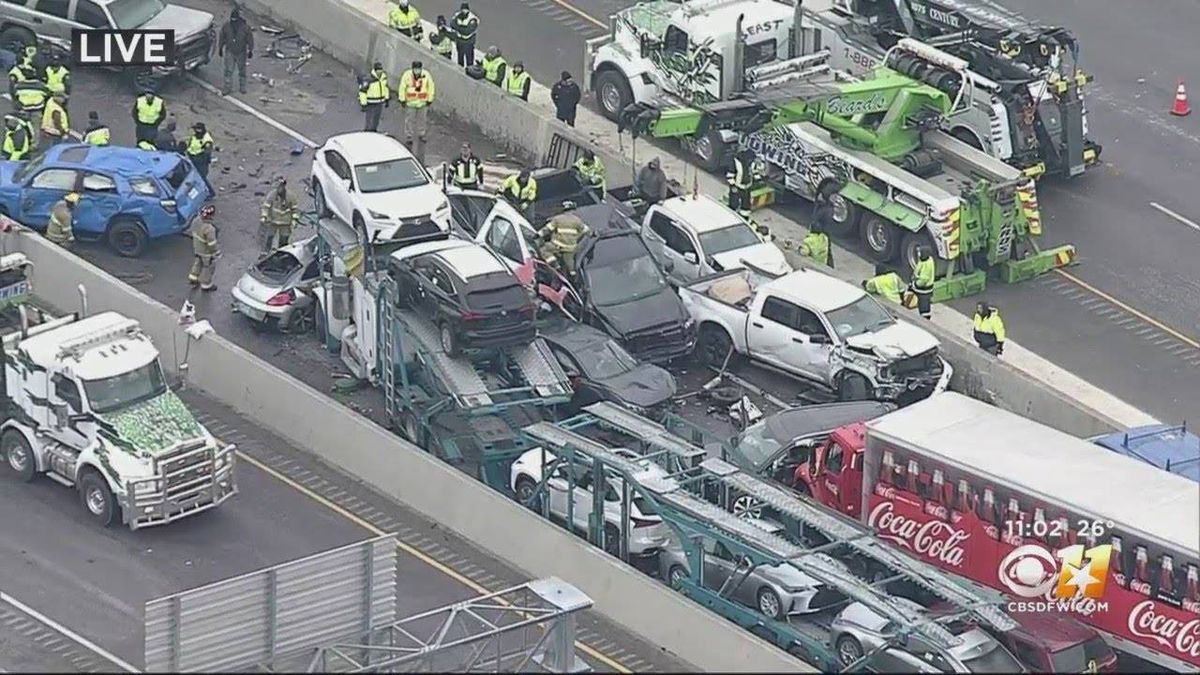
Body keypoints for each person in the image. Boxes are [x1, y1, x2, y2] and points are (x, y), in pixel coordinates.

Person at [398, 60, 434, 163]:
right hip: (411, 103)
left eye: (419, 69)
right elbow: (402, 87)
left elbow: (430, 87)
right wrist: (402, 99)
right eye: (415, 69)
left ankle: (421, 134)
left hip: (422, 103)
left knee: (422, 120)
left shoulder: (426, 75)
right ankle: (409, 135)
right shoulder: (407, 75)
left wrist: (430, 99)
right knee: (410, 120)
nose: (417, 71)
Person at [218, 6, 254, 95]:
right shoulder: (226, 26)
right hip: (230, 51)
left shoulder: (245, 28)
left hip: (241, 52)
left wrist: (250, 50)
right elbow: (222, 37)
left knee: (242, 70)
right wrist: (220, 48)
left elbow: (250, 39)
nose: (233, 22)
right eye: (232, 19)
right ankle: (227, 87)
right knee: (228, 71)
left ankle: (242, 87)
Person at [259, 178, 299, 254]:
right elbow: (266, 206)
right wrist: (264, 216)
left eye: (280, 187)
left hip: (285, 223)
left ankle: (281, 253)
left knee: (284, 239)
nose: (278, 190)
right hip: (273, 221)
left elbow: (295, 209)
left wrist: (294, 220)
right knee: (269, 236)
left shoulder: (291, 196)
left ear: (283, 187)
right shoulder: (272, 195)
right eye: (277, 188)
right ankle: (265, 252)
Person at [188, 204, 220, 291]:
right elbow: (212, 244)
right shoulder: (209, 229)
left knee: (198, 263)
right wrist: (215, 253)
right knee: (208, 268)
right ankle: (206, 285)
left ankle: (193, 278)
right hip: (206, 253)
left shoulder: (196, 221)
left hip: (197, 249)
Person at [359, 62, 390, 132]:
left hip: (380, 102)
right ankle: (367, 132)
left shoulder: (383, 77)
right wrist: (363, 104)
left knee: (376, 119)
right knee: (369, 120)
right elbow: (363, 92)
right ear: (375, 70)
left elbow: (386, 88)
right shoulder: (368, 79)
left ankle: (373, 131)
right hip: (370, 103)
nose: (380, 71)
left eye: (381, 69)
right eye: (378, 69)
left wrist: (387, 98)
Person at [185, 122, 215, 194]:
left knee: (202, 177)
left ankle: (210, 193)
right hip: (192, 159)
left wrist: (198, 160)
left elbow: (207, 153)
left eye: (196, 129)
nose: (195, 131)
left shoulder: (206, 140)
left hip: (201, 162)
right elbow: (190, 146)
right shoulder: (195, 136)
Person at [728, 148, 756, 218]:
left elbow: (753, 172)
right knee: (733, 204)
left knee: (746, 205)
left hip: (747, 187)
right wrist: (733, 186)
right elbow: (730, 175)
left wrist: (759, 179)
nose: (751, 161)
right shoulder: (736, 162)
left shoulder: (751, 162)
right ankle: (731, 217)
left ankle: (744, 217)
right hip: (736, 186)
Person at [450, 2, 479, 68]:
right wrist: (462, 28)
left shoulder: (472, 19)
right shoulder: (457, 15)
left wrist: (458, 27)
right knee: (460, 58)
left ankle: (470, 70)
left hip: (468, 42)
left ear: (468, 10)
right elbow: (452, 24)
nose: (464, 11)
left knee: (469, 60)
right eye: (462, 10)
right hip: (460, 41)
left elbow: (467, 31)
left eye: (465, 10)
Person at [910, 246, 936, 319]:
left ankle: (925, 319)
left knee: (923, 306)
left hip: (923, 289)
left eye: (920, 253)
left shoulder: (926, 265)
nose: (918, 254)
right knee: (924, 304)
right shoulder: (927, 260)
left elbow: (924, 279)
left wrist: (915, 284)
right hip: (925, 289)